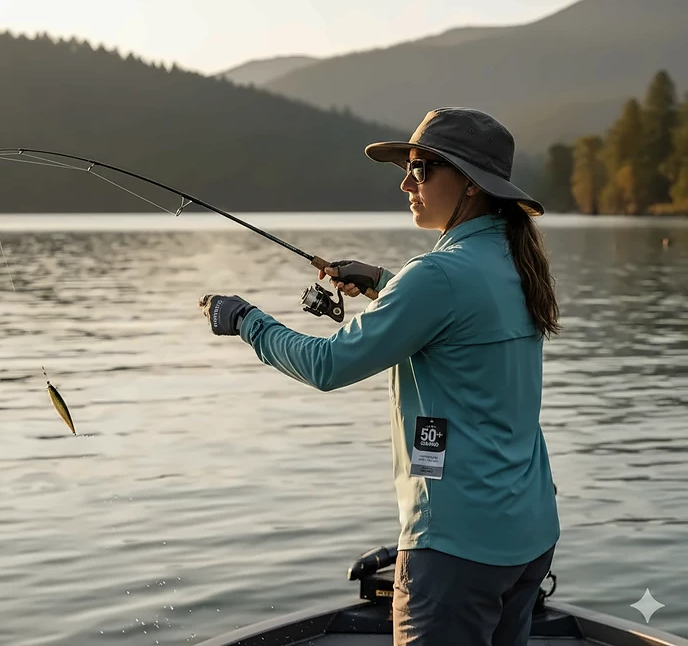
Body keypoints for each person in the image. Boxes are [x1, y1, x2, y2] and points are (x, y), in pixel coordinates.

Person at [199, 107, 561, 646]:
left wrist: (247, 321)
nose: (406, 182)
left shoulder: (437, 276)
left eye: (422, 169)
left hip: (458, 546)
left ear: (469, 184)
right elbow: (460, 322)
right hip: (530, 535)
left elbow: (327, 366)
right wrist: (382, 282)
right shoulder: (513, 259)